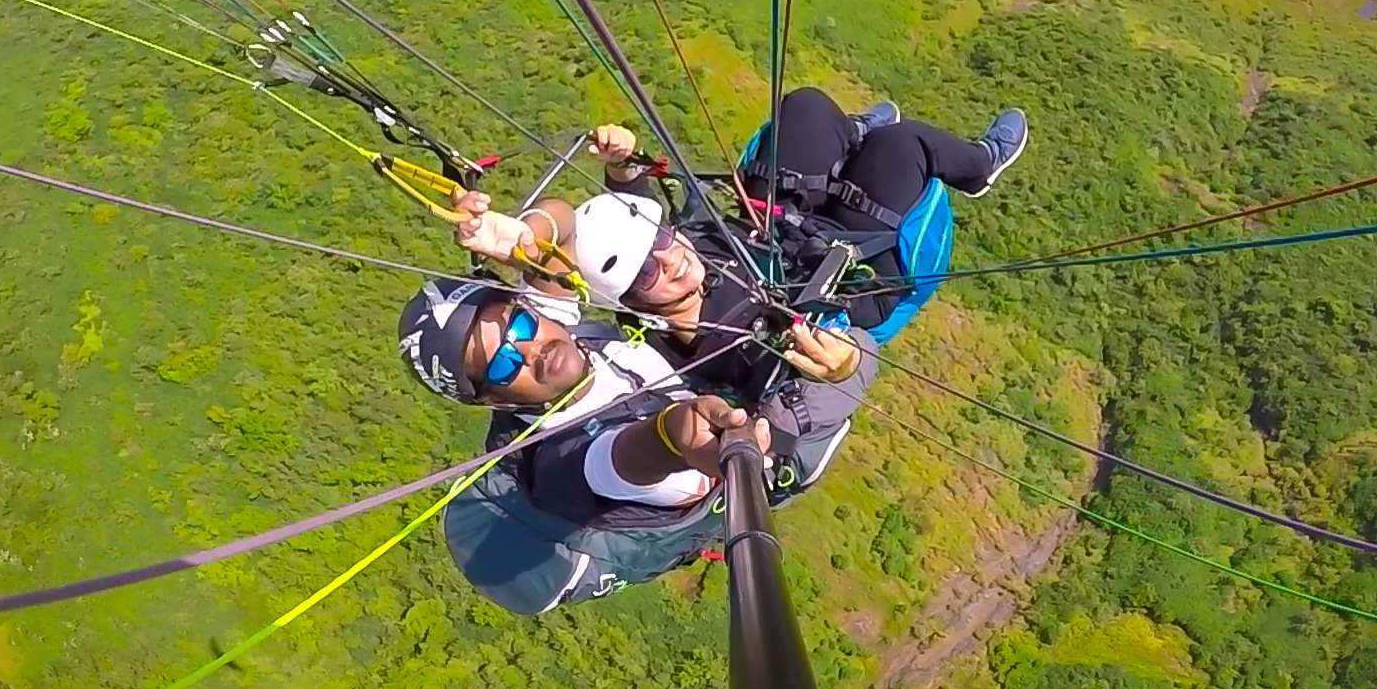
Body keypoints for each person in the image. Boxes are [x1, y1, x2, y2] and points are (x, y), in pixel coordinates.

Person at [451, 87, 1027, 394]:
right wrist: (841, 365)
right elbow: (821, 365)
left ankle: (851, 137)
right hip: (849, 269)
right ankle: (977, 166)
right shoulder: (706, 348)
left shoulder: (670, 250)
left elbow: (586, 228)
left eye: (663, 244)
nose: (671, 261)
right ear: (632, 303)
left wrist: (612, 175)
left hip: (776, 225)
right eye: (650, 274)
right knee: (906, 145)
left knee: (802, 106)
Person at [397, 274, 873, 613]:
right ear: (490, 401)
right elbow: (625, 455)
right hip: (765, 453)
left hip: (709, 389)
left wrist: (529, 227)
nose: (527, 349)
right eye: (500, 365)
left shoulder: (566, 338)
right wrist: (674, 435)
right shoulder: (562, 462)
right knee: (859, 344)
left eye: (518, 325)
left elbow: (555, 248)